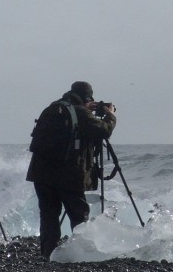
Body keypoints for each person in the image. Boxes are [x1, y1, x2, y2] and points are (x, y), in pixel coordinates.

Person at [26, 81, 116, 260]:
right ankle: (80, 253)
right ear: (87, 98)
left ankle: (48, 253)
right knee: (78, 214)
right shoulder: (81, 112)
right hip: (68, 174)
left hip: (41, 172)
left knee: (49, 214)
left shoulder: (52, 109)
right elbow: (104, 130)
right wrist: (110, 115)